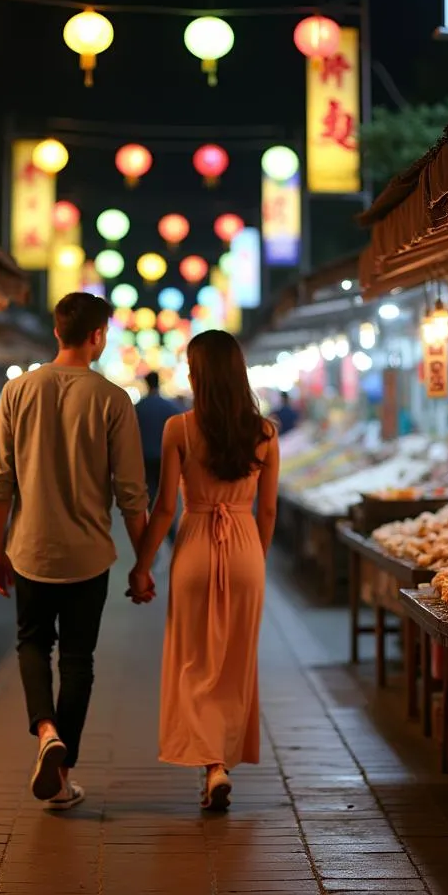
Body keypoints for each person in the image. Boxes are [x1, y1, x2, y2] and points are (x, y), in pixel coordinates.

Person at [0, 292, 153, 812]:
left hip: (30, 549)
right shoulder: (113, 399)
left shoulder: (17, 391)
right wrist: (142, 564)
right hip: (88, 556)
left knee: (32, 644)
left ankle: (46, 732)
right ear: (98, 336)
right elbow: (131, 494)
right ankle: (63, 774)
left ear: (58, 332)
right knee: (79, 660)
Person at [129, 329, 279, 811]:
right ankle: (222, 761)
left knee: (193, 660)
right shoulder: (266, 433)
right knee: (235, 661)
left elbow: (165, 508)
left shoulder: (180, 428)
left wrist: (143, 566)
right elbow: (269, 512)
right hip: (244, 548)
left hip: (194, 544)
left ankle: (211, 765)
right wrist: (256, 556)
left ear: (197, 374)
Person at [135, 370, 179, 507]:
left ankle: (151, 517)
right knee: (165, 491)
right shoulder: (169, 407)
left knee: (148, 489)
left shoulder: (138, 408)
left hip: (144, 455)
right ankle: (166, 523)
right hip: (164, 455)